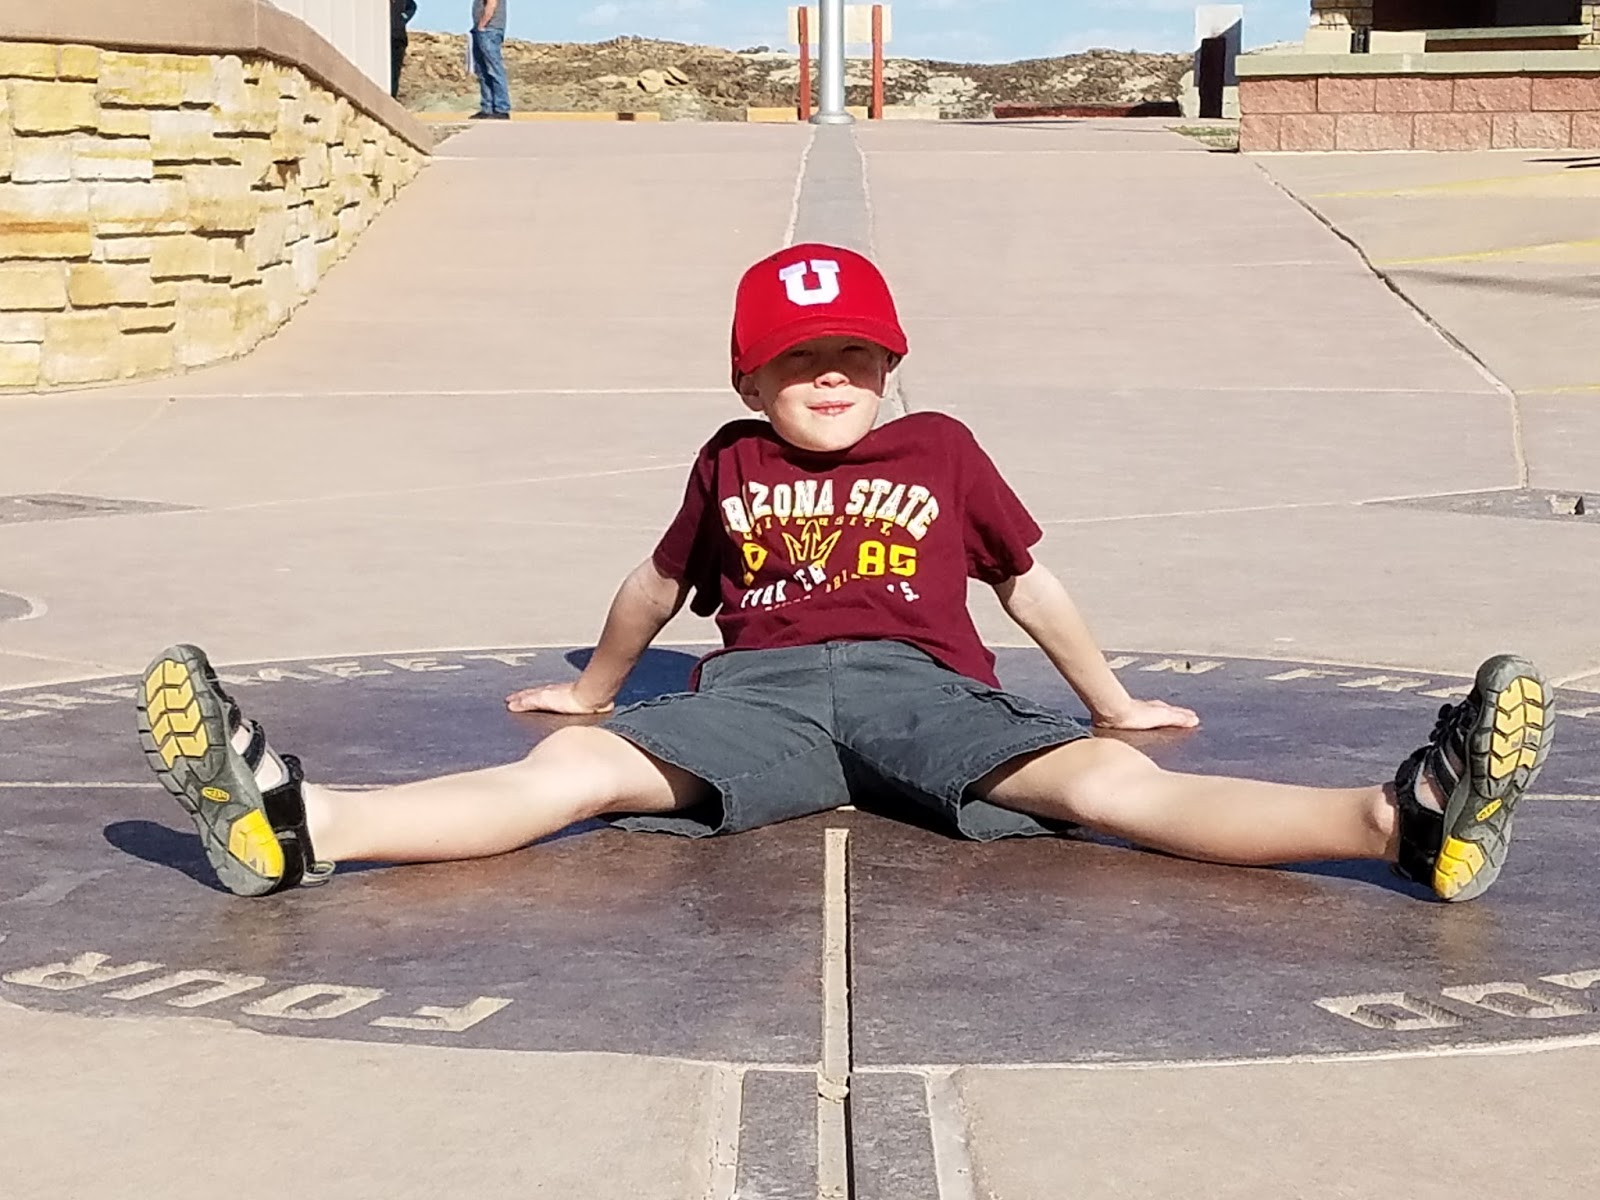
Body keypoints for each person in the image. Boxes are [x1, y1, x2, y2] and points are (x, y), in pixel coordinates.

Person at [134, 243, 1555, 903]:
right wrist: (596, 690)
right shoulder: (728, 462)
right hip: (751, 694)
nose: (832, 378)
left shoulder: (942, 447)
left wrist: (1112, 703)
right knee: (567, 778)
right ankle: (303, 825)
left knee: (1112, 788)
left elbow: (1028, 584)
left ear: (890, 367)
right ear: (751, 379)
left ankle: (1400, 820)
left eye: (857, 358)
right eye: (800, 361)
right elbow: (654, 586)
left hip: (917, 685)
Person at [469, 0, 511, 119]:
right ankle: (487, 107)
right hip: (483, 31)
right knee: (482, 71)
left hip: (489, 30)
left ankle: (501, 108)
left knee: (494, 69)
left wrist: (482, 25)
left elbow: (491, 4)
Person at [390, 0, 417, 100]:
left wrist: (402, 18)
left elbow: (412, 6)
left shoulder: (404, 2)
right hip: (383, 39)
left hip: (397, 39)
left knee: (394, 71)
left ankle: (392, 96)